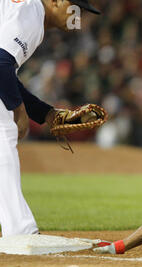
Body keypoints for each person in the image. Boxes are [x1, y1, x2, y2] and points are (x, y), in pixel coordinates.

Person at [0, 0, 100, 237]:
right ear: (55, 1)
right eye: (75, 7)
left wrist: (46, 114)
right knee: (4, 134)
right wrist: (18, 110)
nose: (79, 15)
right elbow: (0, 64)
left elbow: (6, 76)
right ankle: (20, 231)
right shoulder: (32, 12)